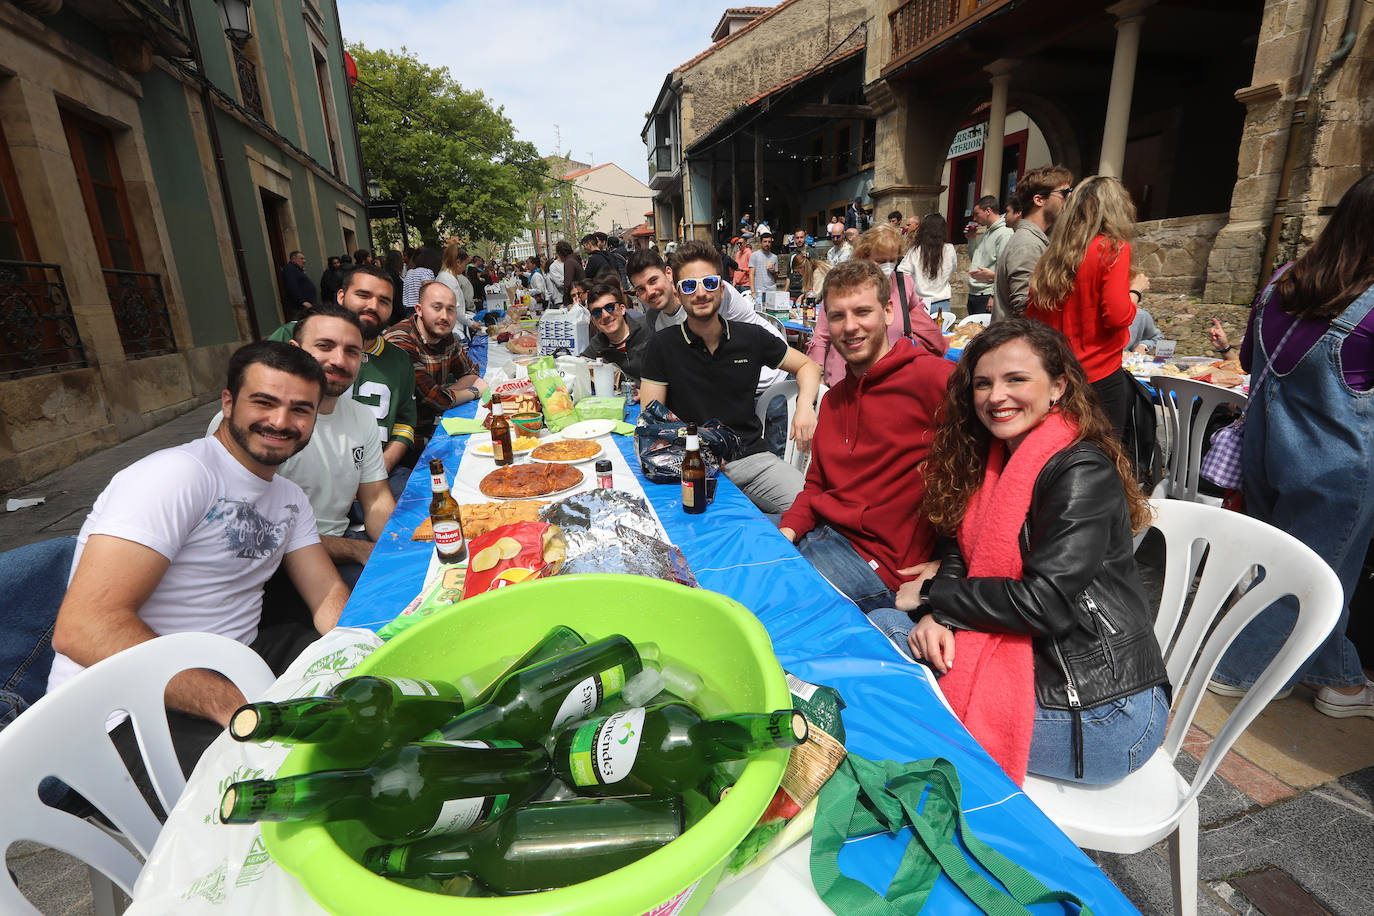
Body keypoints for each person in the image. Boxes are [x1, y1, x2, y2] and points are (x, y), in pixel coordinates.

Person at [871, 319, 1168, 784]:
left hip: (1105, 709)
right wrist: (942, 614)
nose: (996, 396)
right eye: (984, 383)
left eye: (1016, 379)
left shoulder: (1080, 470)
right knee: (882, 632)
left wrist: (933, 596)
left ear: (1058, 387)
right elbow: (962, 550)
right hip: (1043, 662)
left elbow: (1044, 604)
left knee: (881, 685)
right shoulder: (995, 456)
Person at [49, 341, 349, 781]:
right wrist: (231, 704)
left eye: (300, 409)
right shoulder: (176, 476)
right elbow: (83, 629)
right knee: (294, 790)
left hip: (235, 664)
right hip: (122, 711)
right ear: (228, 403)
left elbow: (326, 595)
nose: (281, 422)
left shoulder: (289, 498)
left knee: (365, 698)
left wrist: (370, 646)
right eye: (264, 402)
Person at [1207, 172, 1374, 717]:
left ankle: (1339, 676)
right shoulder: (1369, 308)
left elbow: (1250, 365)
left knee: (1293, 565)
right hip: (1336, 465)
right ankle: (1242, 669)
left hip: (1267, 449)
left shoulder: (1283, 280)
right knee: (1316, 574)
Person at [779, 259, 953, 611]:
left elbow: (993, 473)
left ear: (889, 312)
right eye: (838, 316)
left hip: (879, 566)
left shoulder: (934, 380)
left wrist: (953, 567)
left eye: (862, 312)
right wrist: (786, 533)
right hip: (821, 538)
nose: (850, 327)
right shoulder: (835, 400)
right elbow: (816, 487)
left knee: (772, 605)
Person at [638, 241, 822, 514]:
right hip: (689, 466)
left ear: (722, 290)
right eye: (690, 286)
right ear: (679, 294)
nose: (701, 293)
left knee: (814, 508)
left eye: (709, 283)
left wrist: (805, 406)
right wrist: (697, 453)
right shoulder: (663, 346)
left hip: (751, 459)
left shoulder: (750, 337)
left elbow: (808, 365)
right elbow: (652, 421)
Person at [218, 306, 392, 589]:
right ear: (294, 350)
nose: (339, 360)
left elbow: (375, 499)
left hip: (334, 549)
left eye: (352, 351)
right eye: (324, 346)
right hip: (265, 568)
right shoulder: (257, 424)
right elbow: (247, 531)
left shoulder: (361, 417)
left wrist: (393, 548)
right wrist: (357, 550)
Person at [267, 265, 419, 490]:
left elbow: (405, 423)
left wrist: (379, 468)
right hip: (301, 480)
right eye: (363, 295)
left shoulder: (399, 360)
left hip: (379, 474)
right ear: (341, 296)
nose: (373, 306)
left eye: (384, 301)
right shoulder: (295, 334)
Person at [1025, 175, 1138, 438]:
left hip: (1056, 373)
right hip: (1098, 374)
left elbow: (1031, 316)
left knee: (1059, 449)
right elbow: (1118, 316)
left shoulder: (1053, 255)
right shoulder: (1112, 249)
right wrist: (1136, 292)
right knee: (1103, 456)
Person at [807, 224, 948, 387]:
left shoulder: (904, 284)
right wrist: (818, 375)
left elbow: (924, 326)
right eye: (881, 261)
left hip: (890, 381)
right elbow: (822, 336)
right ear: (864, 256)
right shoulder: (842, 284)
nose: (887, 266)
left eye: (892, 260)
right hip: (844, 380)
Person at [384, 280, 486, 438]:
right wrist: (473, 391)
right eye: (437, 308)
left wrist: (442, 396)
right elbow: (437, 400)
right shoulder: (400, 340)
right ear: (419, 309)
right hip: (406, 439)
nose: (444, 316)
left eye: (450, 310)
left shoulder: (446, 335)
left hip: (435, 425)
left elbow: (471, 374)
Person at [994, 165, 1074, 321]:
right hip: (1020, 342)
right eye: (1065, 193)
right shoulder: (1028, 245)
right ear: (1039, 200)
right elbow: (1026, 309)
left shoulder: (1036, 240)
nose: (1070, 198)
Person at [580, 281, 651, 382]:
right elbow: (577, 367)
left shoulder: (649, 327)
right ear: (593, 321)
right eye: (597, 312)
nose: (605, 316)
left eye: (610, 308)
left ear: (622, 309)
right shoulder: (597, 345)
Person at [899, 214, 956, 318]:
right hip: (941, 303)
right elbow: (952, 268)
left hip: (921, 302)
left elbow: (902, 272)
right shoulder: (949, 249)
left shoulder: (916, 250)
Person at [966, 196, 1014, 315]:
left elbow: (1002, 266)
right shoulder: (988, 231)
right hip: (975, 293)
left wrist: (993, 296)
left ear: (988, 211)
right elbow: (975, 260)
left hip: (987, 295)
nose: (974, 218)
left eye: (977, 214)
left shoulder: (1004, 233)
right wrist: (971, 239)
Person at [436, 242, 481, 337]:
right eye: (465, 264)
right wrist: (472, 324)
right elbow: (456, 309)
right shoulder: (448, 278)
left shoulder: (446, 276)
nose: (465, 268)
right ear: (458, 262)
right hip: (453, 329)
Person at [402, 246, 441, 314]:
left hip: (409, 309)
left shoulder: (409, 272)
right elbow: (429, 289)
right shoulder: (426, 272)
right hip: (421, 310)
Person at [281, 250, 316, 320]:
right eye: (301, 259)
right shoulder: (290, 269)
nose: (304, 261)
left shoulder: (297, 269)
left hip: (305, 305)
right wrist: (303, 301)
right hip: (299, 307)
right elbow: (292, 287)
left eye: (304, 259)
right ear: (293, 259)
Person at [785, 229, 814, 301]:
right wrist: (785, 293)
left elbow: (815, 273)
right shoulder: (792, 255)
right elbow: (789, 275)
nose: (799, 240)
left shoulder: (812, 252)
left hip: (806, 291)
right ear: (794, 239)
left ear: (805, 238)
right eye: (797, 238)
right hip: (792, 292)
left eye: (801, 237)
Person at [749, 232, 779, 300]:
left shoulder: (774, 257)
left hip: (772, 290)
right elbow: (751, 274)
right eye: (765, 241)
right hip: (759, 291)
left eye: (769, 242)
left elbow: (776, 278)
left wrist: (774, 271)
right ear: (761, 243)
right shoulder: (754, 255)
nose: (767, 244)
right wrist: (753, 292)